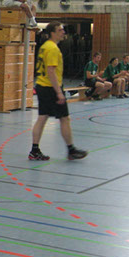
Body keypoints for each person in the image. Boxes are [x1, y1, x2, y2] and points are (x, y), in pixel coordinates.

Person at [29, 21, 87, 161]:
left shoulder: (44, 46)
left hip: (42, 86)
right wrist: (59, 92)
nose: (63, 32)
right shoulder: (53, 49)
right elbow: (51, 71)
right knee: (64, 118)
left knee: (42, 117)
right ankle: (71, 150)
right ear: (52, 33)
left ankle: (34, 150)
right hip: (50, 88)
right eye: (60, 30)